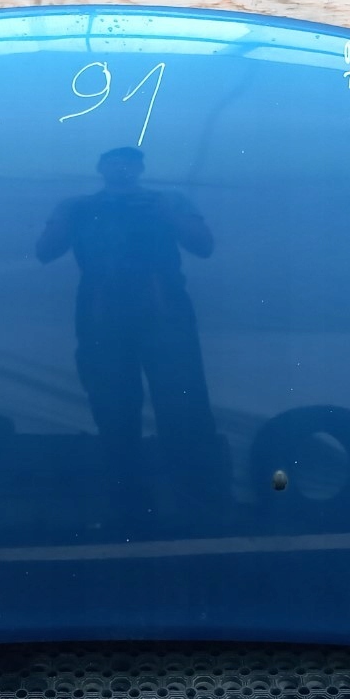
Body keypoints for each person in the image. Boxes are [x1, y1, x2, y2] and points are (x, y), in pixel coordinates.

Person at [36, 148, 220, 486]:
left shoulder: (168, 200)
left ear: (140, 168)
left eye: (130, 161)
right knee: (112, 404)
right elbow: (44, 251)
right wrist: (67, 218)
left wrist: (168, 215)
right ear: (100, 167)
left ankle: (194, 490)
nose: (122, 167)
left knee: (182, 401)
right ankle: (127, 492)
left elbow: (204, 246)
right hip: (104, 313)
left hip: (162, 310)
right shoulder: (77, 206)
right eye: (114, 161)